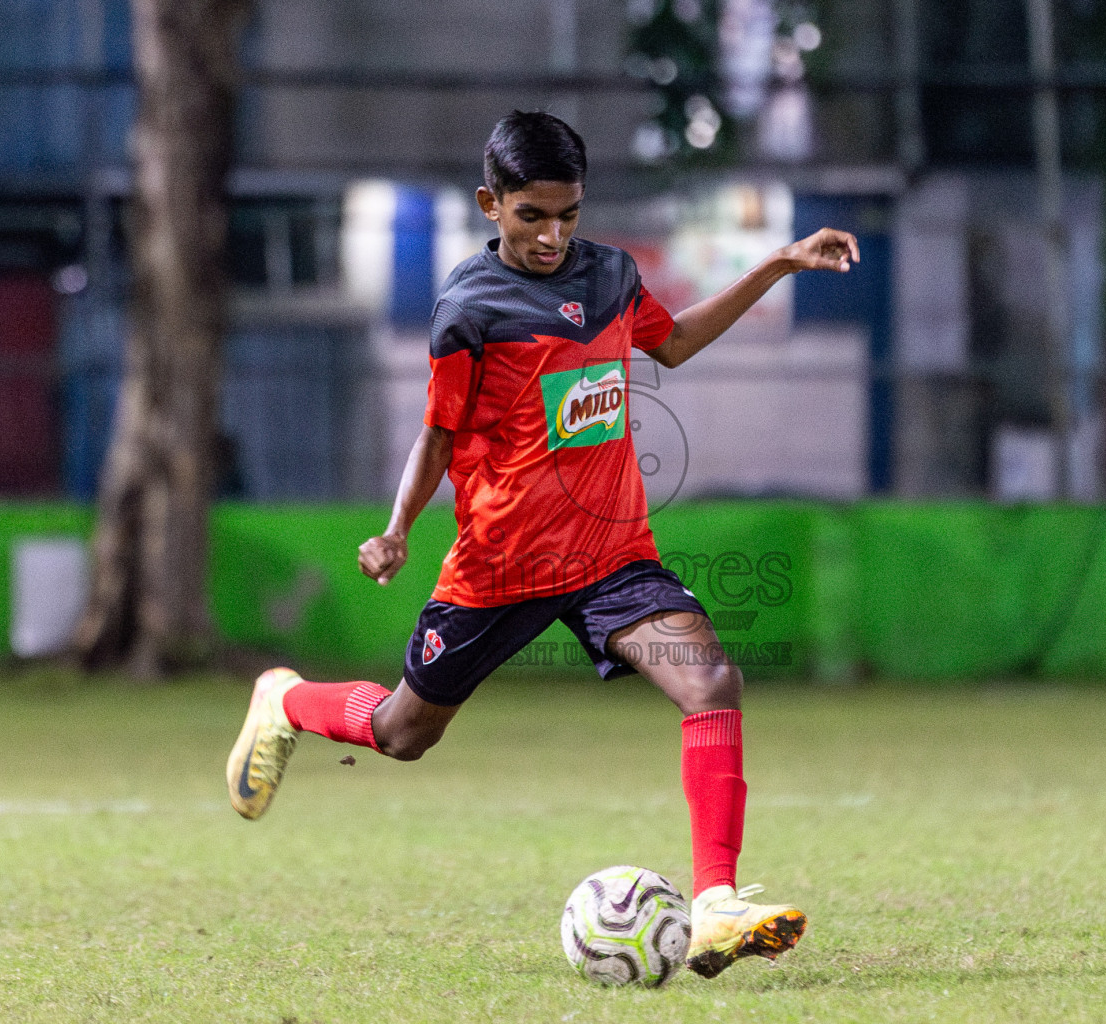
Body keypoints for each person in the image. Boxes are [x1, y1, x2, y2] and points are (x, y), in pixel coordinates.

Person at [226, 110, 858, 979]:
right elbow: (439, 436)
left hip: (610, 557)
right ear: (493, 205)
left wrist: (778, 263)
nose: (553, 235)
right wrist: (397, 530)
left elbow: (670, 344)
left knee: (712, 678)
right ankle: (287, 701)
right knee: (406, 733)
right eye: (533, 216)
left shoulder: (609, 277)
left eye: (568, 214)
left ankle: (714, 903)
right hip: (500, 568)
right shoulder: (468, 309)